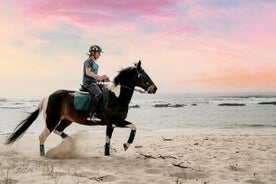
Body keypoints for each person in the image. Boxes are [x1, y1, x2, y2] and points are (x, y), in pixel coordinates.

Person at [82, 45, 110, 121]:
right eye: (99, 53)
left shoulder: (96, 65)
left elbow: (94, 77)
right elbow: (88, 73)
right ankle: (91, 114)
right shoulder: (88, 61)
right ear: (93, 53)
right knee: (99, 94)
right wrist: (100, 76)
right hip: (88, 83)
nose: (100, 55)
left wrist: (103, 80)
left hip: (93, 83)